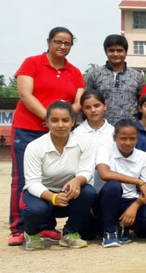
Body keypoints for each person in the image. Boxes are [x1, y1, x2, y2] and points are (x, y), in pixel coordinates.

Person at [10, 27, 85, 246]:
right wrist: (50, 118)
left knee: (54, 178)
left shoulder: (74, 72)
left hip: (59, 132)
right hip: (28, 129)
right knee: (23, 179)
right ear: (49, 42)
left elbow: (78, 102)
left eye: (67, 43)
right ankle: (19, 228)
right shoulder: (32, 63)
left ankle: (46, 227)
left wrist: (59, 122)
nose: (62, 46)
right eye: (58, 42)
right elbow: (25, 94)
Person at [21, 102, 95, 250]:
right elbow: (32, 182)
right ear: (46, 122)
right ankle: (31, 233)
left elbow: (86, 171)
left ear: (73, 121)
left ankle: (70, 233)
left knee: (88, 191)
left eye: (65, 120)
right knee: (36, 210)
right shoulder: (34, 147)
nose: (60, 125)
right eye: (54, 120)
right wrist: (53, 197)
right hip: (42, 194)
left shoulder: (84, 142)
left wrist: (77, 180)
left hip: (67, 193)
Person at [95, 119, 146, 247]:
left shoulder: (143, 157)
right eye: (123, 138)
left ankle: (124, 228)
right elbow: (104, 174)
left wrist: (135, 205)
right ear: (114, 138)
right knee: (113, 185)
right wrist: (137, 181)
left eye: (132, 138)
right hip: (108, 200)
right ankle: (109, 232)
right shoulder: (105, 150)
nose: (128, 143)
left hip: (131, 200)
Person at [84, 34, 146, 126]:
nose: (115, 54)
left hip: (129, 129)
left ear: (126, 52)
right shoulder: (94, 75)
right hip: (101, 128)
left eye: (119, 50)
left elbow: (143, 104)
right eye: (111, 50)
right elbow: (86, 103)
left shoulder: (137, 76)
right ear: (106, 52)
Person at [75, 91, 115, 189]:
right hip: (83, 187)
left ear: (105, 106)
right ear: (83, 110)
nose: (93, 110)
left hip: (108, 186)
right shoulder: (76, 134)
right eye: (88, 107)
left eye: (97, 106)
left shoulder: (114, 133)